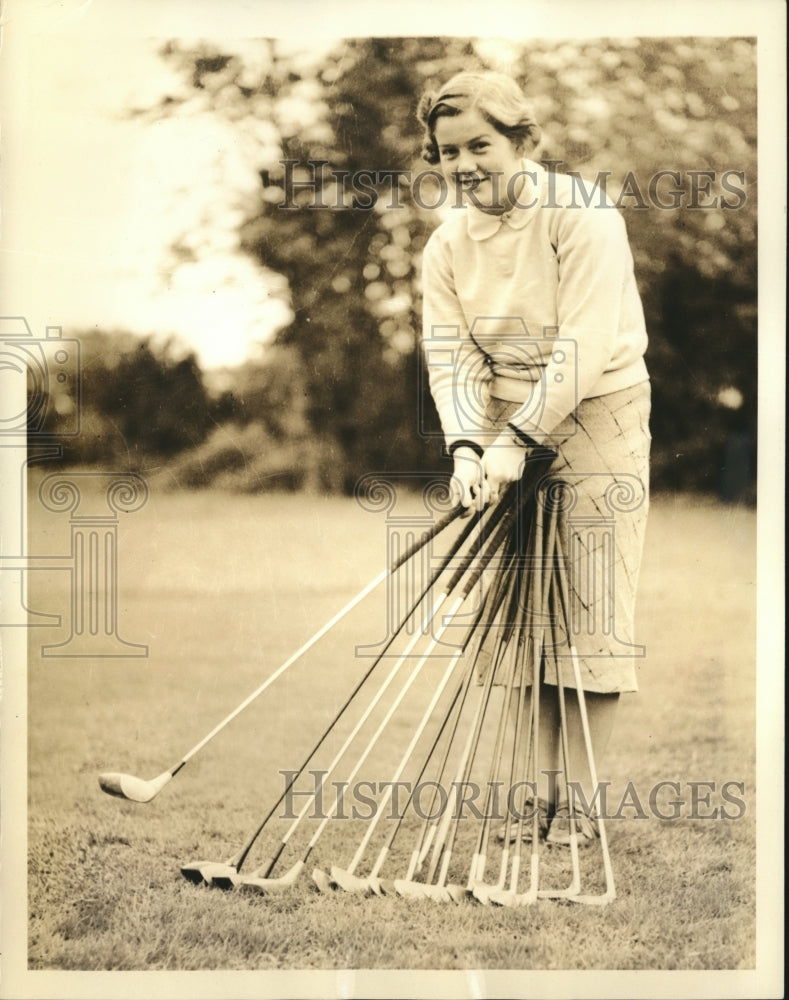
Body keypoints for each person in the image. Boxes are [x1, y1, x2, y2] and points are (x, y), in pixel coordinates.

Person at [417, 71, 651, 844]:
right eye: (448, 151)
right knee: (522, 615)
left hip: (599, 407)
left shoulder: (582, 215)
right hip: (499, 419)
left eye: (480, 144)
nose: (463, 164)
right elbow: (449, 354)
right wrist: (464, 445)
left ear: (524, 142)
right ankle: (533, 802)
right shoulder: (446, 244)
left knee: (588, 607)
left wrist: (518, 440)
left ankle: (577, 811)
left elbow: (584, 343)